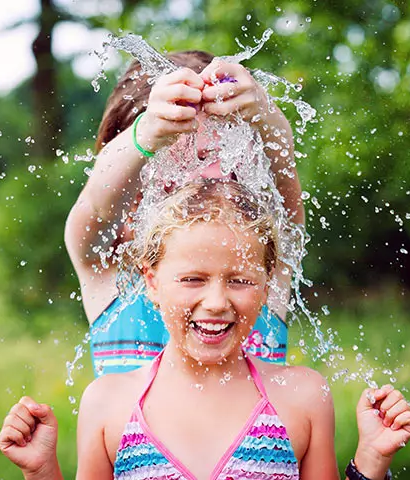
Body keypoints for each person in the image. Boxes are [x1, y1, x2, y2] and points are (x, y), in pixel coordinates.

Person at [0, 179, 410, 480]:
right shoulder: (108, 403)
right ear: (152, 281)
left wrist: (370, 462)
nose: (217, 302)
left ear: (268, 284)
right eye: (193, 279)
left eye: (240, 280)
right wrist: (41, 472)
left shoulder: (303, 396)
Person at [65, 51, 305, 376]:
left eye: (226, 152)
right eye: (192, 156)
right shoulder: (112, 267)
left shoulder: (263, 261)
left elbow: (284, 195)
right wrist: (147, 130)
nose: (214, 174)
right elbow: (98, 206)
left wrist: (266, 116)